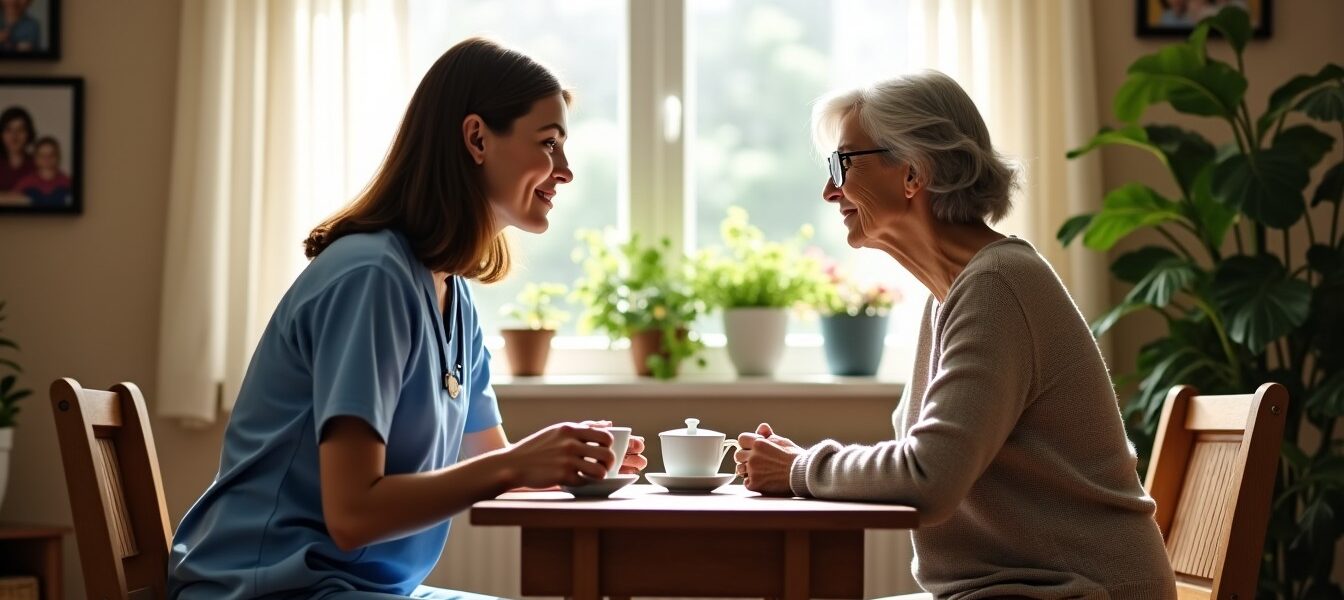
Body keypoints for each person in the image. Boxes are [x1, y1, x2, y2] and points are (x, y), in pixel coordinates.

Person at [169, 38, 647, 600]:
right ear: (476, 138)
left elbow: (491, 463)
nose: (564, 171)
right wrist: (518, 464)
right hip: (267, 590)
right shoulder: (371, 276)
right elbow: (352, 513)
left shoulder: (453, 296)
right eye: (548, 144)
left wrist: (568, 466)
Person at [734, 70, 1177, 600]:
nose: (830, 190)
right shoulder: (952, 296)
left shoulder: (999, 286)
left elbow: (929, 477)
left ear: (914, 173)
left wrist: (802, 468)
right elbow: (927, 462)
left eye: (842, 163)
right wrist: (799, 467)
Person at [14, 136, 71, 208]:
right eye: (42, 155)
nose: (46, 159)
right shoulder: (26, 182)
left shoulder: (67, 182)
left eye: (51, 155)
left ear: (58, 157)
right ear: (35, 158)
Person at [0, 106, 36, 205]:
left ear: (28, 133)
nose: (14, 136)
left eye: (20, 130)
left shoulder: (37, 163)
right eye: (8, 130)